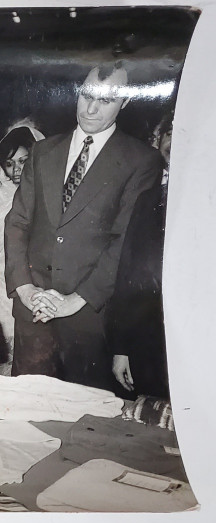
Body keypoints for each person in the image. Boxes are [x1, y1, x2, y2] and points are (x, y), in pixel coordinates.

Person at [4, 61, 163, 390]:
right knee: (26, 415)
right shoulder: (42, 151)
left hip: (90, 315)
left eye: (105, 101)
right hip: (33, 310)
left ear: (125, 102)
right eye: (87, 95)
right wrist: (26, 289)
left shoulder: (141, 161)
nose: (91, 109)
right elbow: (17, 222)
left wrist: (74, 300)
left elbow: (124, 245)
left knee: (86, 422)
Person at [109, 112, 174, 399]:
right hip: (145, 342)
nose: (176, 140)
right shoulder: (147, 199)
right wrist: (121, 349)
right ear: (158, 141)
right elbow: (127, 274)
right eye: (170, 131)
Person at [0, 123, 44, 364]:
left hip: (35, 283)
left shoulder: (48, 195)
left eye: (23, 161)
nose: (17, 169)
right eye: (10, 163)